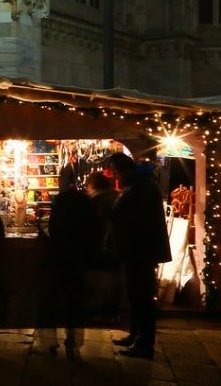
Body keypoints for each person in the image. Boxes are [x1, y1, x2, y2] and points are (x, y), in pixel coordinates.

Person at [108, 152, 171, 359]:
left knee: (142, 296)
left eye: (116, 172)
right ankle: (136, 335)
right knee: (136, 296)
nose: (115, 177)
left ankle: (144, 343)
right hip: (136, 250)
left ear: (125, 170)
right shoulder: (139, 186)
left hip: (141, 251)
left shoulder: (142, 188)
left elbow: (135, 219)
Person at [43, 183, 98, 357]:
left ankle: (51, 342)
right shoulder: (87, 217)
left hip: (58, 260)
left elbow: (52, 231)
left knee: (52, 301)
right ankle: (72, 341)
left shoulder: (59, 215)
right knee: (75, 302)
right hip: (78, 263)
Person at [86, 171, 121, 322]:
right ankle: (112, 312)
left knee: (105, 280)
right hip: (118, 244)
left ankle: (106, 312)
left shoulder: (96, 201)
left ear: (91, 185)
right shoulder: (118, 196)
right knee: (114, 279)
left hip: (105, 244)